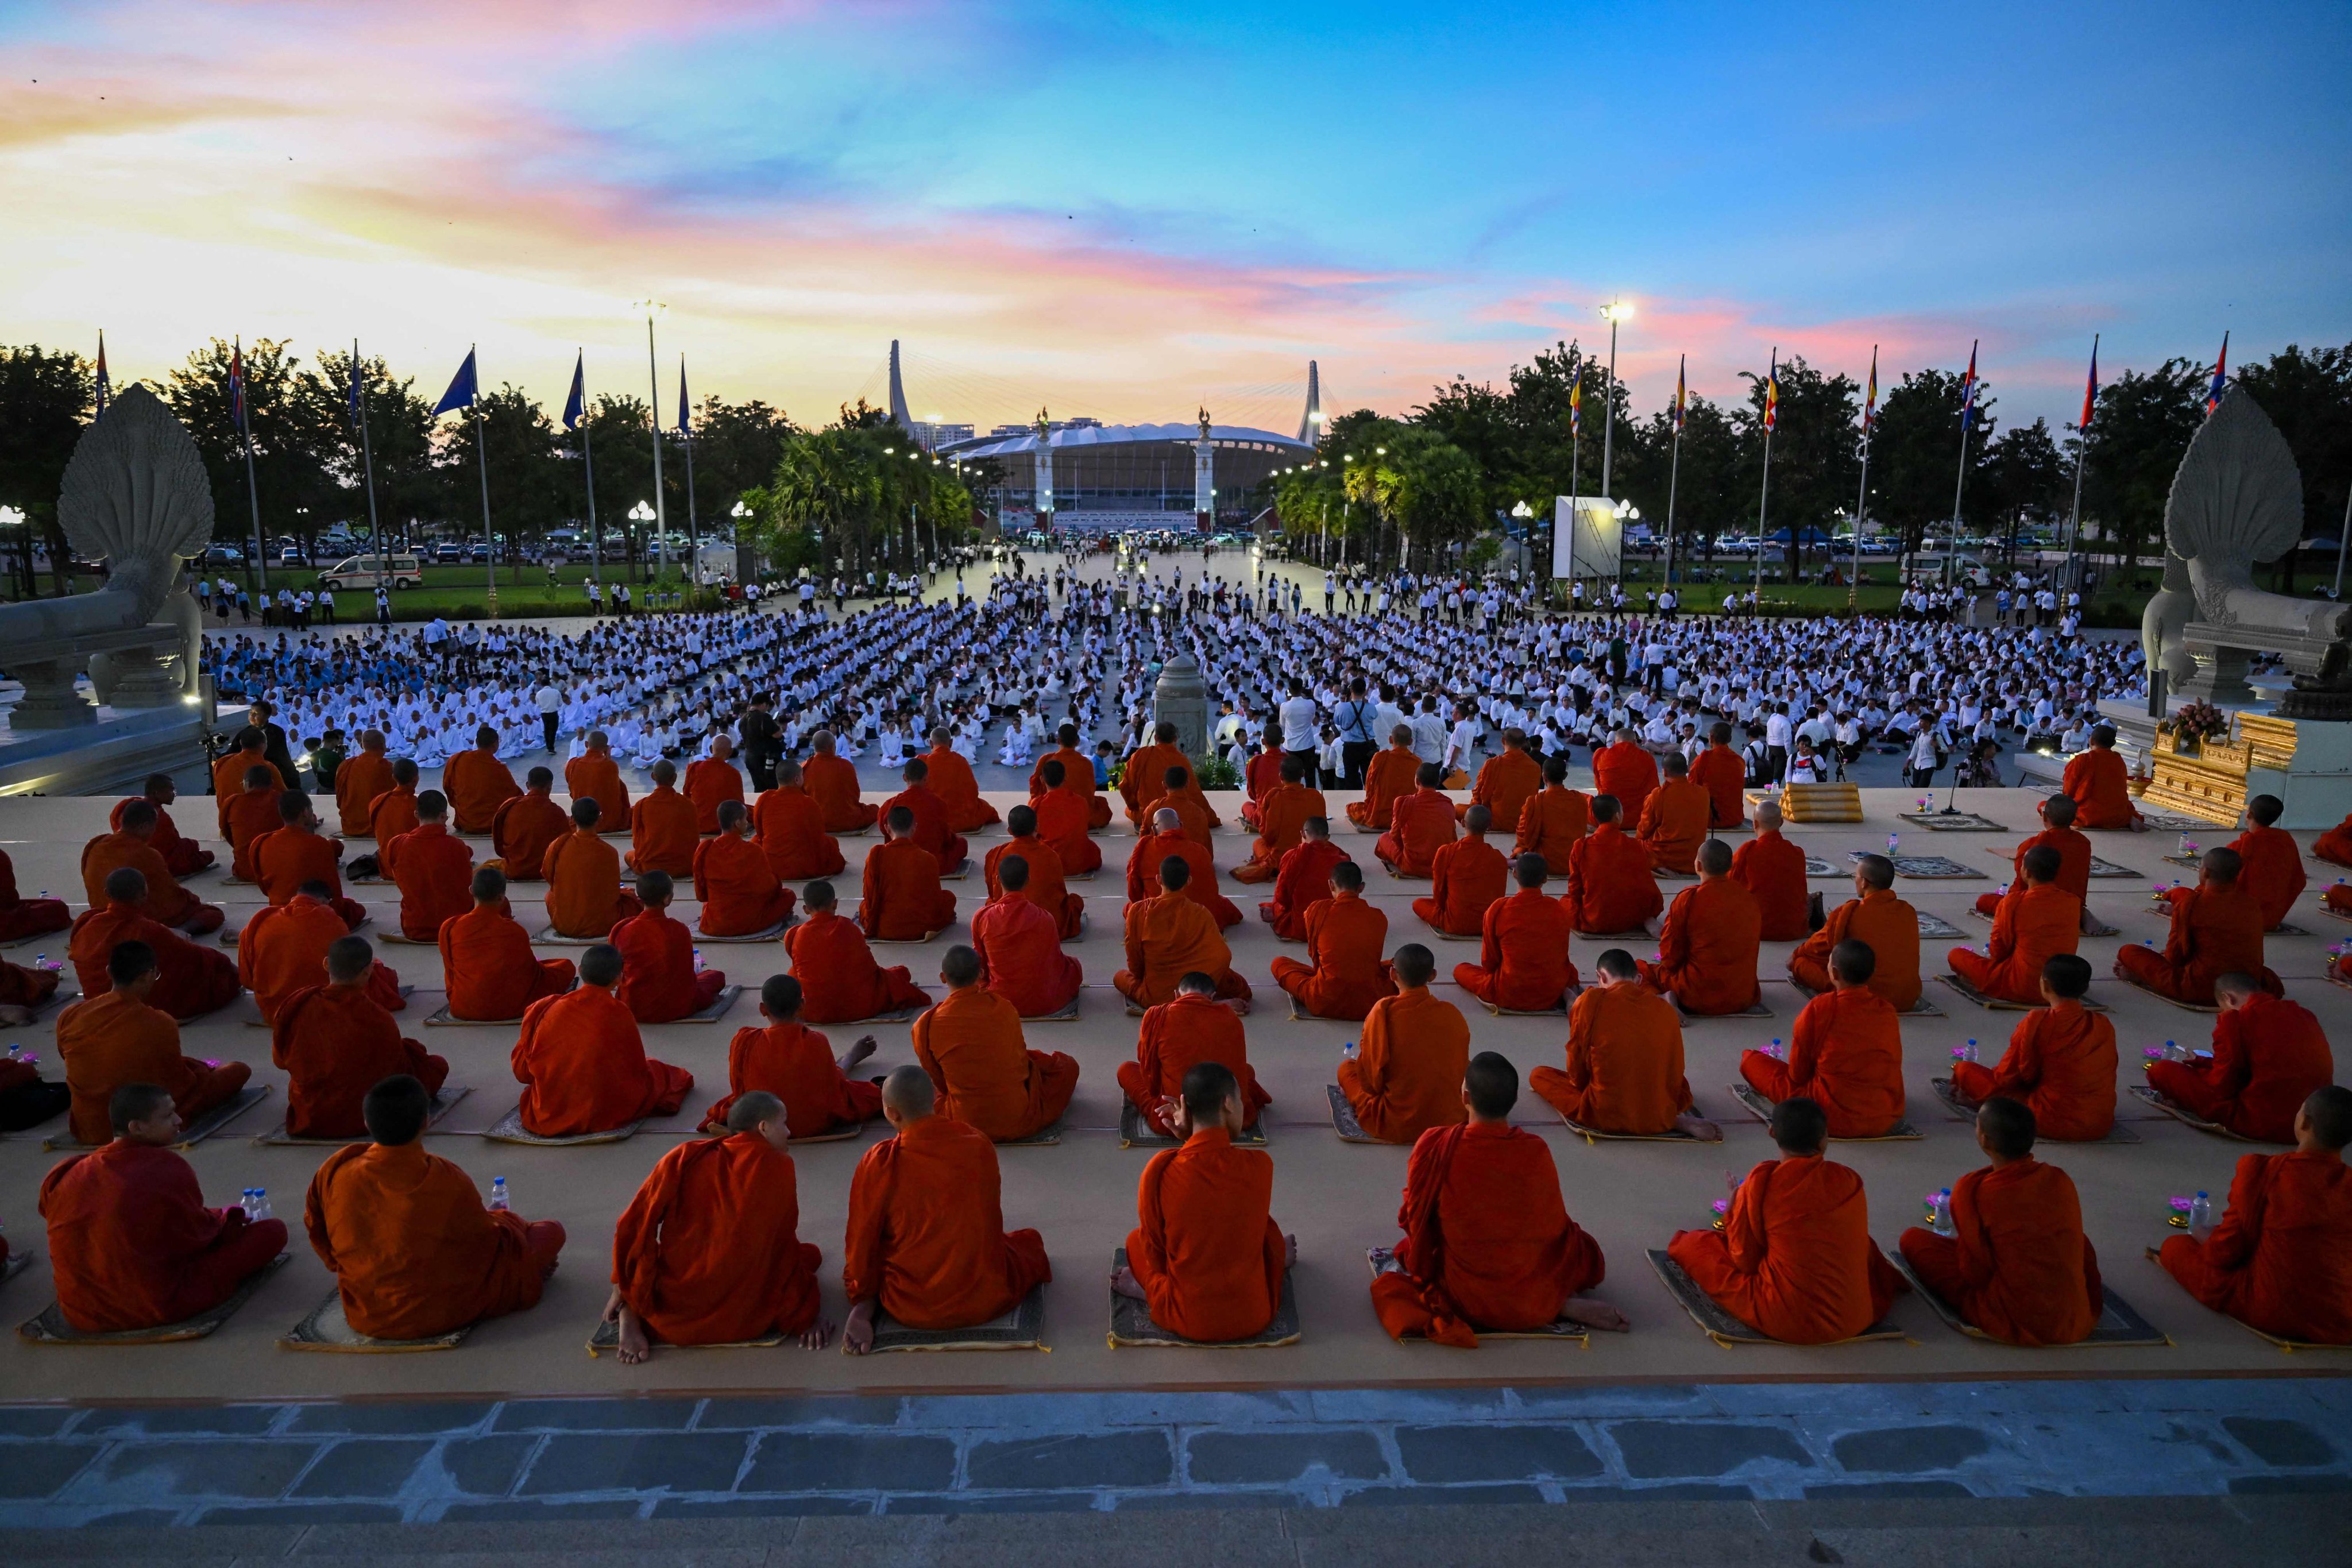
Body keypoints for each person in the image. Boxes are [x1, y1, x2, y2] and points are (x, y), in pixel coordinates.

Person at [1371, 1052, 1619, 1346]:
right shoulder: (1536, 1150)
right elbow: (1553, 1227)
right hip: (1531, 1285)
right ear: (1514, 1102)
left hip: (1468, 1298)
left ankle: (1544, 1303)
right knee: (1582, 1248)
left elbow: (1413, 1219)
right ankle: (1553, 1303)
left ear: (1465, 1097)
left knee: (1403, 1261)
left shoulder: (1434, 1145)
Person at [305, 1074, 565, 1340]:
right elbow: (484, 1244)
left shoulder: (336, 1171)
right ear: (426, 1122)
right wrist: (509, 1223)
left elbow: (318, 1230)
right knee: (551, 1232)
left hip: (369, 1311)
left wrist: (354, 1266)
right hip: (445, 1310)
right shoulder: (447, 1177)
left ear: (366, 1122)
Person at [38, 1082, 287, 1333]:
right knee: (272, 1232)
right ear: (137, 1127)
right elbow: (199, 1237)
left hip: (81, 1311)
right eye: (168, 1116)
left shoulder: (66, 1172)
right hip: (156, 1304)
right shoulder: (166, 1167)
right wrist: (225, 1219)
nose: (179, 1120)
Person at [606, 1090, 831, 1361]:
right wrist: (804, 1316)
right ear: (763, 1127)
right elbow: (778, 1246)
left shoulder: (684, 1155)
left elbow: (633, 1221)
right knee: (806, 1257)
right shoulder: (777, 1165)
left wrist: (623, 1283)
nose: (790, 1132)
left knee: (807, 1255)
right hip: (745, 1317)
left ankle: (632, 1310)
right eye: (784, 1123)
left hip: (674, 1310)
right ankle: (631, 1311)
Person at [841, 1066, 1053, 1353]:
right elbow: (986, 1222)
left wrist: (861, 1295)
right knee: (1029, 1244)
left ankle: (867, 1309)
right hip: (986, 1298)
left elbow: (861, 1239)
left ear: (891, 1113)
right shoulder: (977, 1144)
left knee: (869, 1248)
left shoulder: (878, 1161)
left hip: (908, 1304)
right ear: (934, 1100)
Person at [1666, 1095, 1905, 1343]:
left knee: (1692, 1244)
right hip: (1856, 1318)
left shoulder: (1763, 1181)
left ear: (1772, 1133)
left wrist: (1734, 1210)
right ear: (1825, 1137)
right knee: (1862, 1244)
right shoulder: (1849, 1179)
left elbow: (1744, 1260)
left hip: (1788, 1320)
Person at [1897, 1097, 2103, 1346]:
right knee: (2079, 1242)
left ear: (1985, 1139)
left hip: (2011, 1317)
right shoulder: (2059, 1179)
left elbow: (1975, 1274)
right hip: (2075, 1321)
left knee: (1913, 1240)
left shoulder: (1972, 1191)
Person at [1113, 1061, 1293, 1343]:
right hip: (1254, 1315)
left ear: (1186, 1110)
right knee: (1262, 1231)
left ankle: (1148, 1291)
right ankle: (1278, 1261)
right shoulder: (1260, 1165)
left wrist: (1188, 1138)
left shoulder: (1161, 1170)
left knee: (1136, 1241)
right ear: (1229, 1103)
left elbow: (1157, 1256)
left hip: (1187, 1317)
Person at [2156, 1085, 2352, 1344]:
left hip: (2270, 1307)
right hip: (2341, 1319)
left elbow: (2224, 1254)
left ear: (2304, 1122)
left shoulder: (2264, 1171)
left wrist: (2205, 1235)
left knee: (2175, 1247)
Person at [55, 940, 252, 1146]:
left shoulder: (71, 1015)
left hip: (90, 1127)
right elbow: (177, 1085)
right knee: (239, 1071)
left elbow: (70, 1056)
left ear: (108, 971)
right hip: (143, 1124)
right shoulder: (160, 1022)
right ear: (149, 975)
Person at [273, 936, 448, 1138]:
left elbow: (280, 1061)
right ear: (368, 972)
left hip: (311, 1118)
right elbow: (392, 1073)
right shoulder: (377, 1017)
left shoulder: (296, 1006)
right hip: (363, 1118)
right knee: (435, 1064)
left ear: (326, 964)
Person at [511, 944, 694, 1136]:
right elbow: (635, 1069)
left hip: (550, 1112)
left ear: (580, 971)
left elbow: (522, 1072)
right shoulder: (620, 1012)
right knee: (663, 1073)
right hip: (604, 1112)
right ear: (619, 979)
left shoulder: (544, 1008)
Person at [1530, 947, 1714, 1136]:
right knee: (1674, 1084)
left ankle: (1658, 1118)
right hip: (1658, 1109)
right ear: (1639, 981)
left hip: (1605, 1114)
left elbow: (1577, 1070)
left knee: (1539, 1075)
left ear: (1600, 977)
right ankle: (1667, 1119)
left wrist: (1587, 1086)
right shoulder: (1665, 1009)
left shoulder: (1590, 1001)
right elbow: (1675, 1069)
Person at [911, 945, 1079, 1141]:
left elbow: (939, 1081)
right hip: (1019, 1119)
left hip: (964, 1122)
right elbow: (1019, 1063)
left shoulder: (926, 1024)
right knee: (1066, 1066)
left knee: (920, 1092)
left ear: (943, 977)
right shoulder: (1003, 1008)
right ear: (981, 974)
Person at [1743, 939, 1905, 1138]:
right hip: (1884, 1114)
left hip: (1828, 1115)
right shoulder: (1887, 1010)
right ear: (1871, 974)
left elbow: (1797, 1075)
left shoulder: (1821, 1007)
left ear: (1834, 973)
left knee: (1750, 1060)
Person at [2145, 974, 2333, 1143]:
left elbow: (2222, 1087)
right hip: (2315, 1124)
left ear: (2228, 998)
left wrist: (2201, 1071)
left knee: (2162, 1071)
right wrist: (2203, 1062)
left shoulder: (2236, 1020)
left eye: (2222, 1008)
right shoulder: (2304, 1014)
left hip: (2263, 1123)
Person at [1947, 955, 2118, 1141]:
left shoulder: (2038, 1021)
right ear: (2085, 988)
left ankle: (1983, 1107)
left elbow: (2006, 1078)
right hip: (2099, 1122)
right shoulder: (2103, 1024)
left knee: (1965, 1070)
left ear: (2045, 985)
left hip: (2046, 1119)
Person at [700, 974, 881, 1138]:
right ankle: (848, 1059)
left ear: (763, 1010)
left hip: (760, 1123)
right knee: (870, 1093)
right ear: (802, 1007)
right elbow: (832, 1091)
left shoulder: (744, 1041)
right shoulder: (816, 1041)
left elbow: (741, 1090)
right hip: (814, 1125)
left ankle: (847, 1060)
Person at [2115, 847, 2281, 1005]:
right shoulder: (2251, 904)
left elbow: (2175, 957)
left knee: (2128, 952)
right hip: (2245, 987)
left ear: (2206, 872)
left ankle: (2143, 976)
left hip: (2200, 988)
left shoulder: (2192, 904)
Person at [66, 869, 241, 1019]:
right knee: (225, 980)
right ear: (145, 894)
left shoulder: (87, 923)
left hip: (96, 1002)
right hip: (141, 1002)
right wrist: (226, 963)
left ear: (106, 893)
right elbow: (197, 957)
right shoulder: (149, 930)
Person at [1338, 944, 1468, 1143]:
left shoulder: (1383, 1012)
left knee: (1347, 1069)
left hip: (1397, 1123)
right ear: (1432, 976)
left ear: (1392, 974)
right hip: (1449, 1120)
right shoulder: (1453, 1014)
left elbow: (1371, 1084)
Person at [1118, 970, 1270, 1137]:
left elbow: (1151, 1079)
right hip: (1228, 1118)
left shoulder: (1156, 1016)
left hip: (1176, 1117)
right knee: (1246, 1071)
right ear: (1212, 997)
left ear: (1176, 995)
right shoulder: (1231, 1018)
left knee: (1126, 1070)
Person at [238, 880, 406, 1025]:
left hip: (274, 1009)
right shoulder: (329, 918)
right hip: (325, 1007)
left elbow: (246, 979)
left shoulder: (260, 920)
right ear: (325, 901)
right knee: (380, 974)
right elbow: (349, 969)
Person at [1639, 839, 1762, 1014]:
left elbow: (1669, 958)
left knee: (1639, 970)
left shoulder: (1689, 900)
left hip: (1697, 995)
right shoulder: (1749, 899)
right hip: (1743, 995)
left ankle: (1664, 1000)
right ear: (1730, 866)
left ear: (1698, 866)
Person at [1115, 855, 1252, 1009]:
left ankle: (1195, 1001)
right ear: (1189, 881)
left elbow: (1134, 960)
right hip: (1195, 989)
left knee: (1119, 977)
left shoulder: (1139, 911)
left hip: (1157, 997)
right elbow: (1223, 956)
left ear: (1159, 880)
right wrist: (1206, 980)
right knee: (1239, 987)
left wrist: (1144, 979)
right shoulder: (1200, 913)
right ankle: (1202, 1000)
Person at [439, 867, 576, 1021]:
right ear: (502, 897)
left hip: (464, 1007)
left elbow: (450, 970)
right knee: (565, 967)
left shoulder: (451, 927)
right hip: (514, 1007)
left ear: (471, 890)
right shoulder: (514, 930)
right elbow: (529, 973)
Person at [1949, 845, 2080, 1004]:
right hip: (2062, 986)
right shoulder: (2073, 902)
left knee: (1956, 955)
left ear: (2027, 872)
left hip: (2020, 986)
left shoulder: (2014, 902)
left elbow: (1997, 952)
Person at [786, 879, 930, 1021]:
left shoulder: (797, 934)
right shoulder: (848, 926)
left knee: (793, 973)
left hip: (815, 1012)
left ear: (805, 909)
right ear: (835, 903)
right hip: (863, 1006)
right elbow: (870, 968)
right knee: (900, 974)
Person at [1271, 859, 1396, 1020]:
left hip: (1324, 999)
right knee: (1397, 969)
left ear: (1331, 885)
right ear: (1362, 888)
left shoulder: (1315, 910)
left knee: (1279, 964)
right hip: (1369, 1001)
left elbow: (1315, 957)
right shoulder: (1379, 917)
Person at [1791, 855, 1920, 1010]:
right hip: (1906, 997)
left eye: (1856, 877)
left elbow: (1815, 948)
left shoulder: (1850, 913)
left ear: (1864, 882)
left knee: (1801, 964)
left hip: (1865, 997)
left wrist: (1795, 957)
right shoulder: (1908, 911)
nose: (1856, 881)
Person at [1454, 853, 1579, 1011]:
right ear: (1545, 879)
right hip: (1550, 993)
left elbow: (1489, 963)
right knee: (1568, 972)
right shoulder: (1558, 909)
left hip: (1509, 993)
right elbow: (1561, 954)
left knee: (1460, 970)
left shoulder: (1498, 909)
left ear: (1514, 874)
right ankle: (1568, 994)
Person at [80, 801, 223, 933]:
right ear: (144, 826)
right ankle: (181, 931)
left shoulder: (96, 846)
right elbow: (169, 899)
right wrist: (190, 899)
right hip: (136, 920)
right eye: (153, 828)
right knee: (212, 914)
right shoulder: (147, 854)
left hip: (102, 916)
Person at [971, 857, 1083, 1017]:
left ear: (997, 880)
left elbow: (980, 965)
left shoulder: (983, 917)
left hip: (1001, 1000)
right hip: (1046, 1001)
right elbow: (1054, 961)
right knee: (1074, 966)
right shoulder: (1045, 918)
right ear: (1028, 881)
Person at [612, 871, 728, 1023]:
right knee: (716, 976)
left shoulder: (622, 930)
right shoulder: (679, 929)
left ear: (639, 898)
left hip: (634, 1006)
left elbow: (617, 972)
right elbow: (686, 976)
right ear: (667, 899)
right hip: (677, 1008)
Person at [1975, 793, 2091, 926]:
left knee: (1984, 901)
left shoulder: (2033, 846)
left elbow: (2020, 888)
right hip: (2071, 910)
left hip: (2033, 910)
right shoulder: (2084, 843)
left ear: (2045, 817)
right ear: (2074, 818)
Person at [252, 790, 366, 926]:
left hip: (278, 912)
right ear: (305, 812)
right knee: (355, 909)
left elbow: (264, 888)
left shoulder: (261, 843)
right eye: (311, 809)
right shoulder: (318, 844)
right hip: (313, 914)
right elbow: (334, 892)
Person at [542, 799, 644, 938]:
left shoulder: (558, 846)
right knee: (632, 899)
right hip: (604, 925)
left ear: (572, 819)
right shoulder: (609, 852)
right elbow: (613, 892)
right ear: (600, 818)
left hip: (565, 925)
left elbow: (548, 877)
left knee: (550, 896)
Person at [1562, 794, 1662, 935]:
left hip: (1595, 918)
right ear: (1617, 816)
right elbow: (1646, 886)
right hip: (1631, 918)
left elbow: (1575, 889)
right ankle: (1645, 918)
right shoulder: (1634, 845)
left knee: (1564, 903)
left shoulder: (1581, 846)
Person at [694, 800, 796, 935]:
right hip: (749, 922)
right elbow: (769, 888)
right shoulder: (753, 850)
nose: (747, 822)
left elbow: (701, 895)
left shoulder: (706, 849)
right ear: (737, 823)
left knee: (711, 903)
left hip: (716, 924)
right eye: (745, 819)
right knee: (788, 896)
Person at [858, 804, 958, 941]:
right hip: (920, 929)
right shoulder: (927, 859)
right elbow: (934, 901)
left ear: (887, 829)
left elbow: (870, 896)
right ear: (914, 828)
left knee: (864, 906)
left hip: (885, 928)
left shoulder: (876, 854)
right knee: (949, 898)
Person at [1126, 806, 1239, 926]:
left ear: (1154, 829)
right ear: (1181, 825)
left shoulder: (1144, 849)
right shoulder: (1200, 850)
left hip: (1159, 916)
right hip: (1198, 917)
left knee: (1132, 909)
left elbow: (1134, 891)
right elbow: (1211, 890)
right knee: (1223, 905)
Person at [982, 805, 1084, 937]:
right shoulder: (1050, 855)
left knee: (990, 904)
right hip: (1046, 923)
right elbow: (1059, 894)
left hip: (1007, 921)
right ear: (1037, 827)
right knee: (1075, 902)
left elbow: (994, 892)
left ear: (1009, 831)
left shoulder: (996, 855)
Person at [1410, 802, 1508, 937]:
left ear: (1462, 823)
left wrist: (1445, 908)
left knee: (1418, 904)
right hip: (1487, 924)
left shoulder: (1446, 852)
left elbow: (1439, 891)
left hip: (1454, 923)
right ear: (1489, 827)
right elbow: (1498, 896)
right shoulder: (1499, 858)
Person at [389, 789, 474, 941]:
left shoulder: (397, 844)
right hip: (456, 926)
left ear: (416, 814)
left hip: (415, 926)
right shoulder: (457, 846)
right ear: (443, 816)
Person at [1233, 754, 1323, 885]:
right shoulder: (1316, 797)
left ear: (1280, 776)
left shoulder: (1275, 798)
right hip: (1311, 857)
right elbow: (1322, 828)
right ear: (1303, 774)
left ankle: (1278, 867)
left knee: (1258, 844)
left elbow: (1267, 835)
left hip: (1281, 859)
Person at [752, 759, 848, 879]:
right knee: (832, 843)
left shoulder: (764, 799)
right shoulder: (808, 803)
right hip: (803, 866)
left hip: (772, 866)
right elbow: (818, 838)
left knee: (756, 841)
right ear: (797, 779)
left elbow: (760, 832)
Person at [1258, 816, 1347, 941]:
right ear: (1328, 838)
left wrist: (1276, 909)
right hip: (1332, 924)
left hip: (1301, 925)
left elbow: (1281, 897)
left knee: (1258, 844)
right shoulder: (1341, 858)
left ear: (1302, 834)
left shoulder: (1292, 856)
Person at [107, 775, 214, 878]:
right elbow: (170, 852)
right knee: (208, 856)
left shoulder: (126, 806)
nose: (173, 794)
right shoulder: (160, 818)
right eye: (171, 791)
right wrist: (192, 845)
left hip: (127, 857)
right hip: (152, 861)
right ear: (156, 793)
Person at [2226, 794, 2306, 932]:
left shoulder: (2240, 846)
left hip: (2240, 918)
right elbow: (2299, 880)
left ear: (2249, 814)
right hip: (2273, 917)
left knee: (2184, 896)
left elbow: (2214, 879)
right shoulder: (2285, 839)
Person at [880, 757, 970, 874]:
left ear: (904, 778)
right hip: (931, 861)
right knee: (961, 844)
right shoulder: (938, 803)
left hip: (898, 859)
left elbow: (884, 830)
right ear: (926, 778)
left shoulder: (890, 805)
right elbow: (945, 837)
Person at [1376, 762, 1458, 877]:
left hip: (1412, 865)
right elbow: (1452, 837)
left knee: (1384, 838)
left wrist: (1406, 851)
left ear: (1417, 781)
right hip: (1441, 864)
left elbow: (1394, 836)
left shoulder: (1403, 802)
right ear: (1438, 782)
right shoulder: (1447, 803)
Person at [1635, 751, 1712, 875]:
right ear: (1687, 769)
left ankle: (1659, 866)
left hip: (1665, 857)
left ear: (1664, 772)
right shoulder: (1703, 793)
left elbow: (1644, 831)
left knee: (1634, 846)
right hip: (1694, 857)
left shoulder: (1657, 796)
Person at [490, 766, 570, 882]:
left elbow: (498, 840)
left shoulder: (510, 807)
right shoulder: (557, 813)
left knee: (488, 868)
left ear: (527, 785)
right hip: (546, 871)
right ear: (550, 788)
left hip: (515, 869)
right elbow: (565, 847)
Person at [1513, 755, 1588, 876]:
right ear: (1565, 776)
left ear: (1544, 777)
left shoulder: (1534, 802)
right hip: (1575, 862)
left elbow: (1525, 837)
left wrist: (1519, 850)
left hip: (1544, 864)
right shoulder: (1579, 799)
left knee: (1520, 852)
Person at [1030, 722, 1113, 831]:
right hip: (1081, 815)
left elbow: (1035, 789)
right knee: (1102, 805)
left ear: (1058, 741)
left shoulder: (1046, 760)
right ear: (1077, 742)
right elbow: (1090, 792)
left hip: (1051, 812)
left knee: (1035, 805)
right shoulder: (1086, 763)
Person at [2061, 725, 2143, 830]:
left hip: (2087, 815)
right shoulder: (2118, 760)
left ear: (2091, 741)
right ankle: (2128, 819)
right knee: (2126, 807)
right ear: (2113, 744)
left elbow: (2068, 791)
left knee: (2046, 806)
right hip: (2118, 817)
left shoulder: (2082, 760)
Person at [442, 725, 522, 834]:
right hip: (493, 823)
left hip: (467, 821)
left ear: (476, 742)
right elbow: (515, 795)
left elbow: (448, 788)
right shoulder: (499, 769)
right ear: (495, 744)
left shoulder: (458, 759)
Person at [625, 760, 699, 878]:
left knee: (629, 856)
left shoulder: (642, 805)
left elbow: (636, 842)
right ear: (675, 778)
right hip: (684, 867)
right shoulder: (689, 805)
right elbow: (695, 840)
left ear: (653, 776)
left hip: (650, 867)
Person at [1119, 720, 1195, 830]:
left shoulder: (1141, 755)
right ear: (1176, 739)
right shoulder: (1182, 760)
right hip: (1177, 814)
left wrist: (1134, 806)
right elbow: (1194, 792)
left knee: (1128, 811)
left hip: (1147, 813)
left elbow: (1125, 785)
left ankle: (1144, 820)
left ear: (1155, 738)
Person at [1461, 729, 1542, 831]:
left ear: (1503, 741)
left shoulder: (1493, 764)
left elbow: (1479, 795)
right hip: (1524, 821)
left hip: (1494, 821)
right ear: (1524, 743)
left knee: (1458, 809)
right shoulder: (1535, 767)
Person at [922, 726, 999, 833]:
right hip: (964, 820)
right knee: (988, 810)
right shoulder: (961, 760)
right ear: (951, 743)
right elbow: (973, 791)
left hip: (935, 821)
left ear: (931, 743)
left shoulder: (923, 762)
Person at [1033, 759, 1104, 874]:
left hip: (1050, 862)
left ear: (1042, 780)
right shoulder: (1081, 801)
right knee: (1092, 849)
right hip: (1078, 862)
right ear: (1065, 778)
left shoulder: (1036, 804)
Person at [1346, 725, 1420, 830]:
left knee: (1351, 808)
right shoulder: (1417, 762)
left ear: (1391, 739)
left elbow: (1369, 788)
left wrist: (1370, 805)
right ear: (1410, 742)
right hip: (1407, 817)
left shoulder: (1379, 758)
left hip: (1380, 817)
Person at [803, 729, 878, 833]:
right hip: (846, 820)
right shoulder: (846, 765)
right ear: (833, 746)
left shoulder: (805, 767)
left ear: (814, 747)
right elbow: (855, 796)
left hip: (816, 822)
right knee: (875, 809)